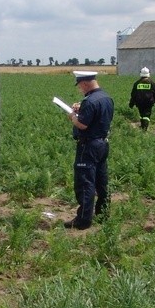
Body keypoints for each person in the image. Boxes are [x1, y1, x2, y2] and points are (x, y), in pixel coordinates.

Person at [64, 70, 114, 230]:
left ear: (85, 83)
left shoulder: (90, 101)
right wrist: (81, 110)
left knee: (85, 182)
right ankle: (103, 213)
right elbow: (96, 118)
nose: (80, 89)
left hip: (89, 146)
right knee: (101, 180)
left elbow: (83, 125)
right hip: (102, 144)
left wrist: (73, 117)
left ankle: (83, 220)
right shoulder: (106, 98)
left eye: (79, 86)